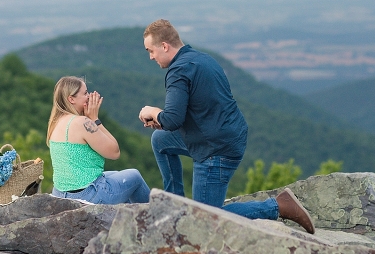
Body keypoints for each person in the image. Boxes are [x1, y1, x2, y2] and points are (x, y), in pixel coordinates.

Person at [139, 19, 315, 233]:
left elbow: (173, 120)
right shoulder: (201, 59)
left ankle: (277, 206)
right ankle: (174, 205)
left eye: (151, 51)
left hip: (216, 150)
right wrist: (163, 119)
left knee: (205, 220)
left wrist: (153, 111)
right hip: (224, 135)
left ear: (164, 46)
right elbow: (199, 109)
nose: (151, 57)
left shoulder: (178, 72)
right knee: (160, 140)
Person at [47, 76, 150, 204]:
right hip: (87, 196)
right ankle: (154, 220)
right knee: (135, 176)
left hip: (61, 194)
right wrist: (95, 119)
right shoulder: (82, 122)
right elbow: (114, 152)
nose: (89, 96)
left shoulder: (55, 122)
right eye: (85, 93)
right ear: (71, 99)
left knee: (116, 175)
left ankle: (125, 218)